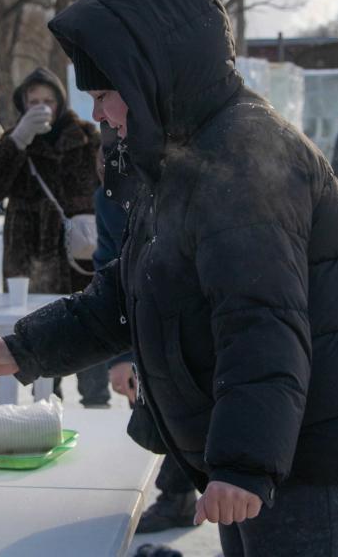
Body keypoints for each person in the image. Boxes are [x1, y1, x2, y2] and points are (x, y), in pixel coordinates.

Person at [0, 0, 338, 557]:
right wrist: (22, 349)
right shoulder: (182, 157)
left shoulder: (243, 158)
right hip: (274, 452)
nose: (97, 113)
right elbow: (125, 297)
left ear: (150, 77)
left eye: (104, 95)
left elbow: (261, 322)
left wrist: (244, 465)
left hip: (319, 460)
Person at [0, 66, 107, 407]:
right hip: (28, 261)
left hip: (81, 258)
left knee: (91, 341)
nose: (42, 107)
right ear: (23, 103)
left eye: (48, 100)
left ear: (61, 101)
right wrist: (16, 141)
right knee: (41, 356)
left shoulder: (87, 135)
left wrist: (91, 214)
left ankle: (96, 410)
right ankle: (45, 416)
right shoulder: (15, 140)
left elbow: (113, 187)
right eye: (34, 101)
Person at [94, 123, 198, 533]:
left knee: (178, 406)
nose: (105, 167)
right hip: (143, 325)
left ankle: (181, 495)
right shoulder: (107, 200)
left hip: (185, 327)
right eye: (101, 159)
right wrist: (123, 357)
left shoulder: (170, 192)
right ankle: (177, 496)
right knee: (158, 412)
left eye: (113, 158)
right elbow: (113, 278)